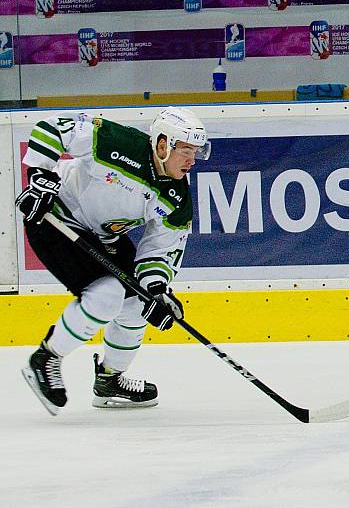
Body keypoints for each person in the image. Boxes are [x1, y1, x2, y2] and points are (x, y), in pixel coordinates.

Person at [17, 107, 210, 415]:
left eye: (196, 153)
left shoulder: (176, 198)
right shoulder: (116, 142)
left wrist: (157, 289)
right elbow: (52, 128)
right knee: (106, 296)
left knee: (139, 304)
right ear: (162, 145)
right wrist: (40, 176)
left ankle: (109, 381)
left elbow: (160, 250)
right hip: (55, 219)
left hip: (103, 238)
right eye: (185, 151)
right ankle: (46, 358)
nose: (191, 161)